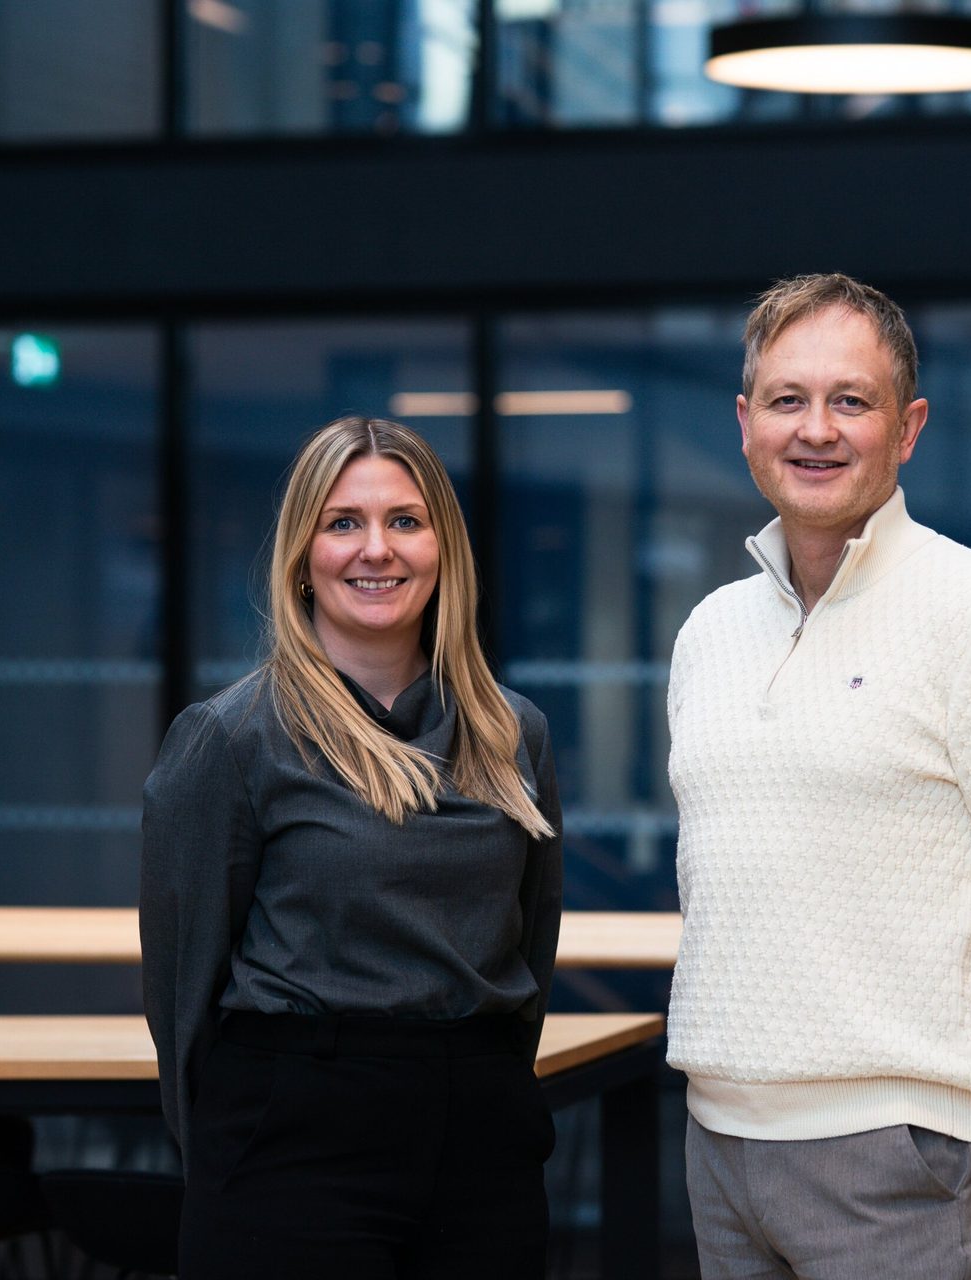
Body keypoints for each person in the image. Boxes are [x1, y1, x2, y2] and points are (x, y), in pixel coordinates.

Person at [666, 274, 971, 1279]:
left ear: (909, 426)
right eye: (788, 399)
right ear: (746, 423)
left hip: (899, 1158)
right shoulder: (709, 632)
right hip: (718, 1143)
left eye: (853, 400)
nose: (816, 429)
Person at [140, 416, 562, 1279]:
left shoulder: (514, 733)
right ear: (302, 554)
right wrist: (228, 1151)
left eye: (405, 520)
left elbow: (531, 944)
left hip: (481, 1134)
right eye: (344, 523)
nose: (377, 550)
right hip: (295, 1136)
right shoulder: (232, 739)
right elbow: (181, 989)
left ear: (443, 546)